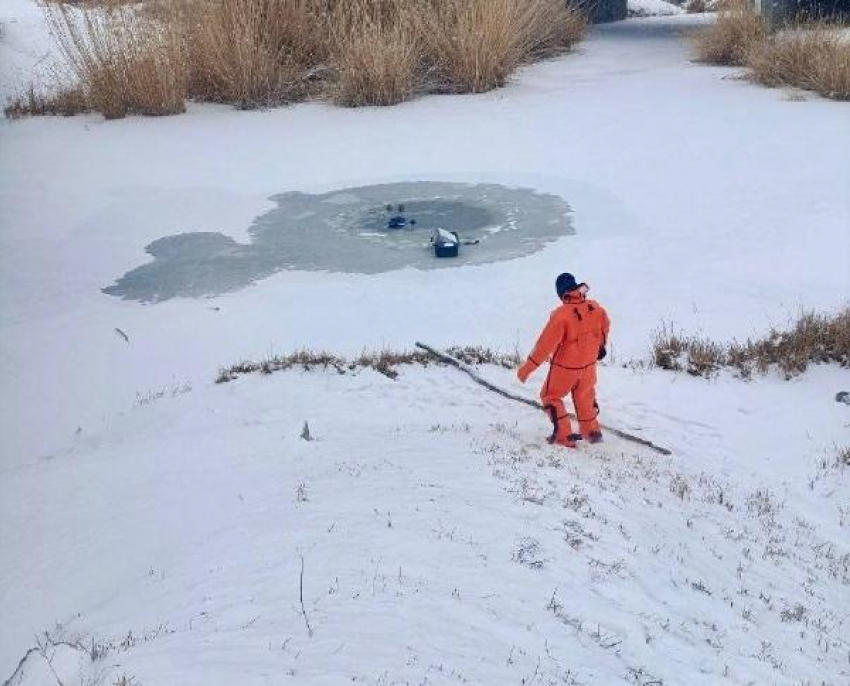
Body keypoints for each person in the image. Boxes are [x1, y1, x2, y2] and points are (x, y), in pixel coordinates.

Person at [516, 273, 610, 448]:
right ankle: (592, 433)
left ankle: (564, 436)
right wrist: (600, 346)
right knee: (585, 395)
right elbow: (605, 325)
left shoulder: (561, 315)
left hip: (565, 368)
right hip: (588, 366)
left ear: (560, 293)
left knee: (550, 396)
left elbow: (544, 346)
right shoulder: (595, 308)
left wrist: (526, 369)